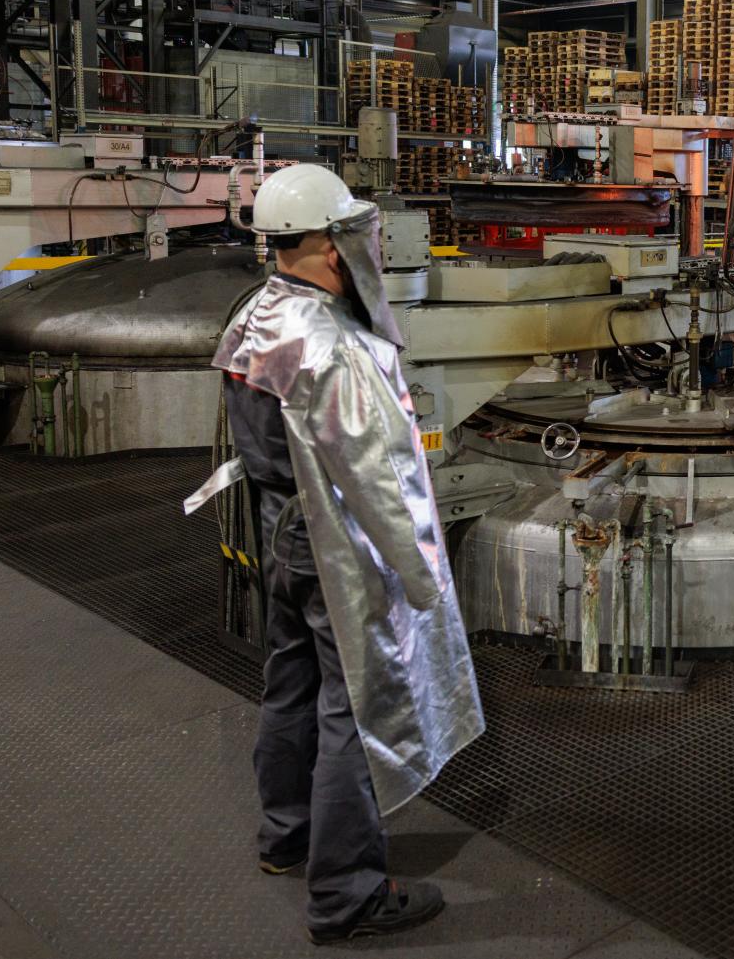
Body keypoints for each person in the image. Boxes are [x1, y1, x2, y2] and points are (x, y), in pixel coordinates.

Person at [206, 165, 484, 945]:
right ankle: (347, 891)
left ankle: (285, 834)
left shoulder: (256, 313)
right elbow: (377, 477)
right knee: (356, 706)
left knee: (288, 681)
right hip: (331, 538)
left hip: (278, 526)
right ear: (330, 245)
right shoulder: (331, 345)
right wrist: (423, 575)